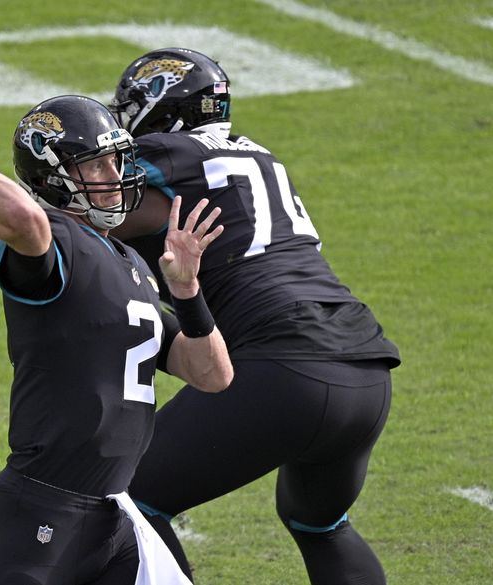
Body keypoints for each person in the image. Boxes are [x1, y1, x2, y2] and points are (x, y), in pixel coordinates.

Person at [0, 91, 233, 585]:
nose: (115, 177)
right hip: (41, 511)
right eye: (97, 166)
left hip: (115, 516)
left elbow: (213, 373)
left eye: (117, 161)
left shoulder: (131, 263)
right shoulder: (51, 242)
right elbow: (22, 220)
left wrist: (187, 291)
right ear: (52, 177)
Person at [106, 48, 402, 584]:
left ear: (161, 110)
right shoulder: (259, 155)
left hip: (285, 367)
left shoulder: (167, 155)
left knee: (131, 497)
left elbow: (76, 216)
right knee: (320, 522)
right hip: (364, 366)